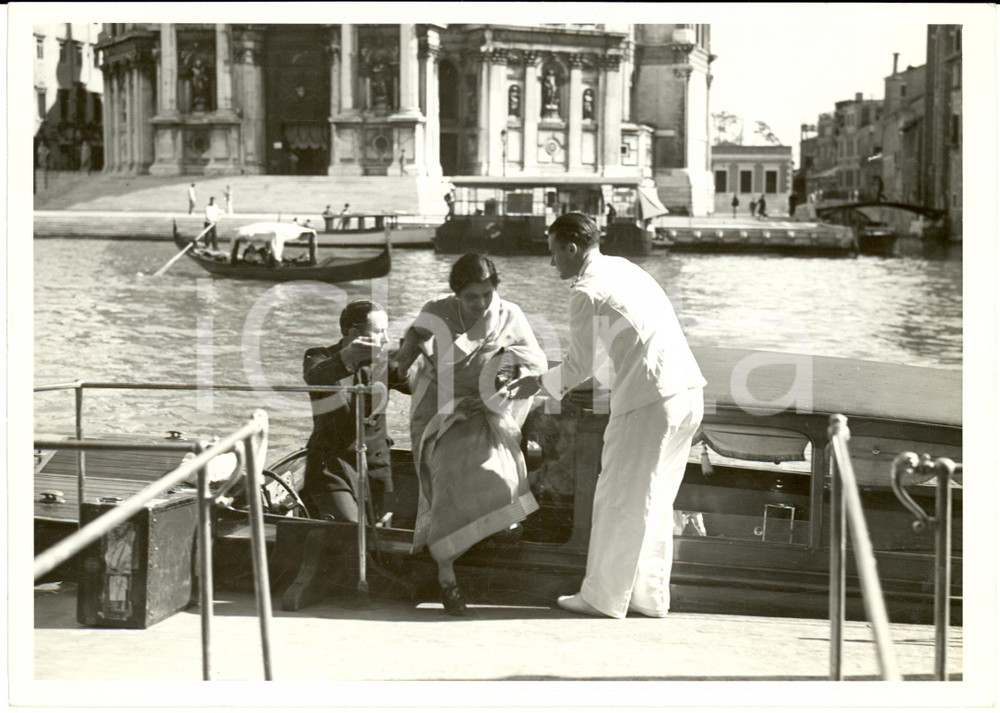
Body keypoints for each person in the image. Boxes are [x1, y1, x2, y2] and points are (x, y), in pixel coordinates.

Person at [507, 213, 706, 619]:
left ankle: (602, 598)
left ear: (571, 248)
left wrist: (534, 383)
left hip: (649, 401)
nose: (551, 264)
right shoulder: (627, 269)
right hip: (688, 392)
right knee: (655, 499)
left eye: (553, 254)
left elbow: (580, 365)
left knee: (618, 497)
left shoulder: (586, 290)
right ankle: (649, 597)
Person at [393, 253, 548, 615]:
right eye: (471, 297)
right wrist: (403, 357)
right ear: (456, 294)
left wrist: (507, 379)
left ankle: (466, 539)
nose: (480, 303)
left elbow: (536, 362)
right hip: (437, 409)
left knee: (502, 482)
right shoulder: (437, 309)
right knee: (446, 481)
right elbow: (415, 334)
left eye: (486, 295)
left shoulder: (510, 314)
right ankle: (447, 577)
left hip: (482, 409)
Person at [302, 300, 409, 524]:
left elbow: (421, 385)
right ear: (353, 333)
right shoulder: (318, 356)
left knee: (373, 536)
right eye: (379, 332)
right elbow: (315, 377)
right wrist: (346, 357)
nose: (386, 339)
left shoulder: (384, 363)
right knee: (351, 529)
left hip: (375, 467)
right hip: (331, 467)